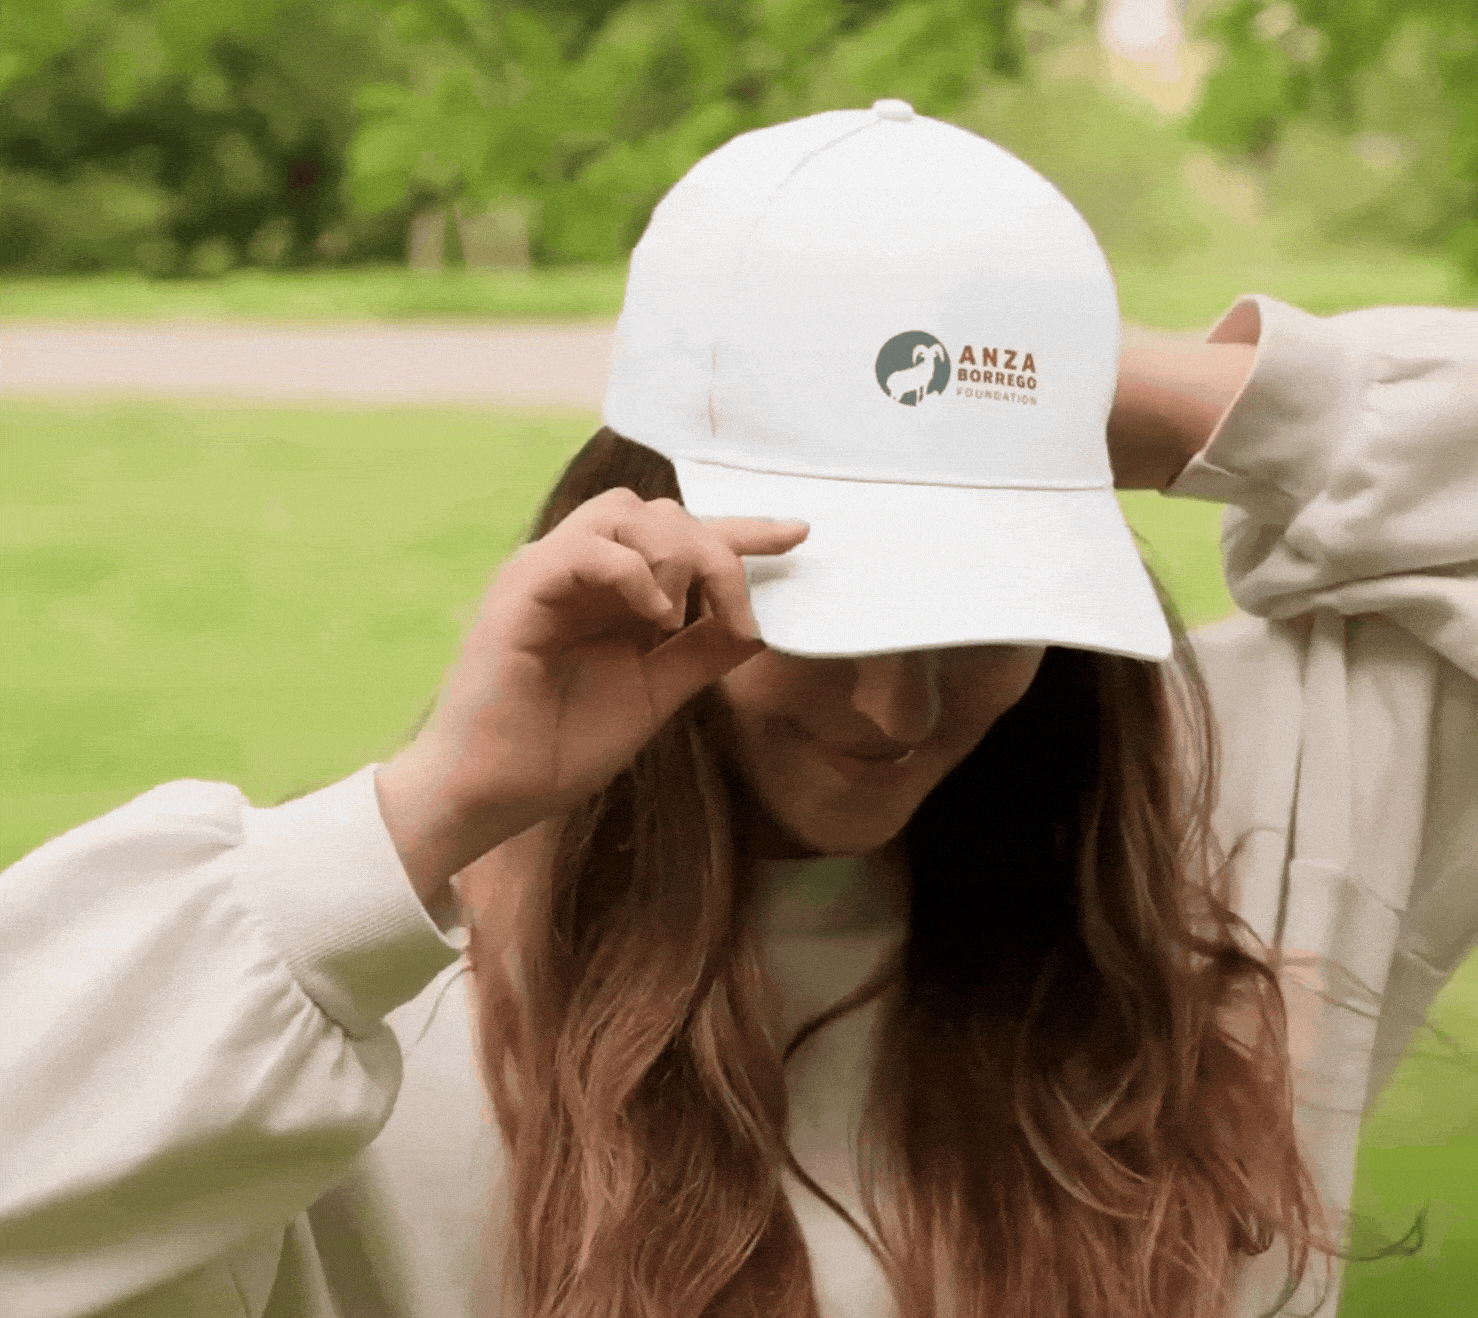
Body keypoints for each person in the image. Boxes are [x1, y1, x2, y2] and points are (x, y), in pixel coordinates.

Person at [2, 101, 1474, 1318]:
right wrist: (423, 812)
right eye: (828, 603)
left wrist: (1085, 395)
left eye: (986, 608)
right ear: (639, 519)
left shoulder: (1243, 833)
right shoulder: (364, 1025)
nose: (898, 709)